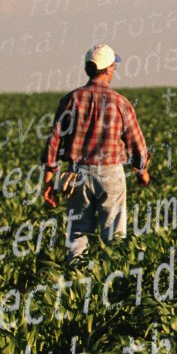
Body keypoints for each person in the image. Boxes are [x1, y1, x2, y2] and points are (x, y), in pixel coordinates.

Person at [42, 44, 151, 263]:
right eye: (113, 66)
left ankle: (75, 283)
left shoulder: (70, 100)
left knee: (78, 233)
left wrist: (49, 178)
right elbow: (136, 142)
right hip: (111, 174)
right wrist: (141, 171)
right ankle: (111, 284)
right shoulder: (120, 102)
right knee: (114, 236)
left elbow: (55, 138)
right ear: (108, 69)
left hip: (77, 174)